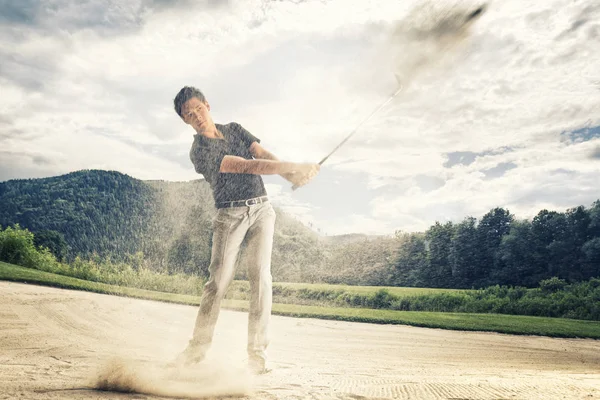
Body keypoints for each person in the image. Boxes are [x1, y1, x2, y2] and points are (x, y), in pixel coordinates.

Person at [172, 86, 319, 374]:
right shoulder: (199, 151)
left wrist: (293, 174)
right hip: (230, 215)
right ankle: (196, 351)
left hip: (263, 210)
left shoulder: (236, 129)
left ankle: (257, 356)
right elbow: (244, 166)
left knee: (261, 278)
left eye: (198, 109)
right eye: (189, 115)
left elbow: (261, 153)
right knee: (218, 283)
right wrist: (294, 167)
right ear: (185, 121)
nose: (196, 117)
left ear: (207, 106)